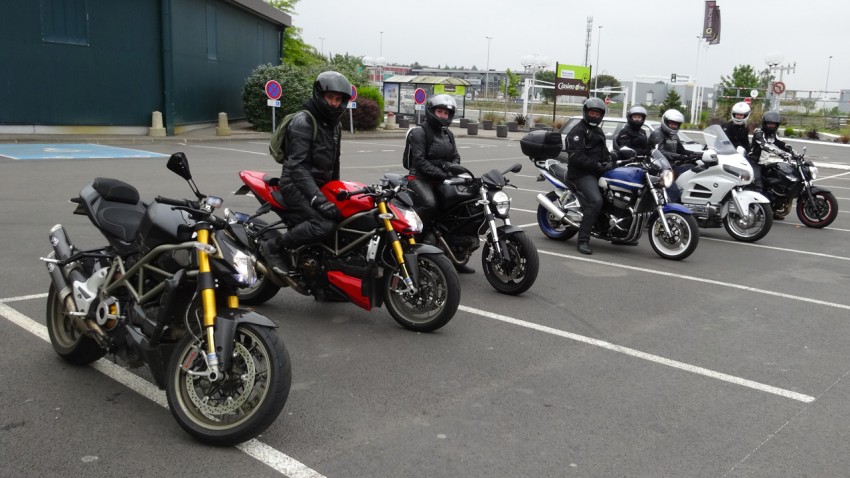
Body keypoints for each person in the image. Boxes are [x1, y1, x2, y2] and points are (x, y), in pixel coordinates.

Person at [261, 71, 352, 275]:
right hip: (295, 184)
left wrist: (336, 191)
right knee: (323, 225)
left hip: (319, 185)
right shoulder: (304, 121)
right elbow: (297, 166)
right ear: (319, 95)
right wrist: (318, 199)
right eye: (330, 97)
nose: (334, 103)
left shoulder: (335, 125)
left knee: (346, 216)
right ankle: (275, 246)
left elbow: (335, 161)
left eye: (338, 99)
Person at [405, 94, 470, 272]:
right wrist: (442, 173)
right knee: (430, 204)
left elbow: (455, 156)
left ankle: (455, 256)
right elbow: (419, 162)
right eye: (439, 111)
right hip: (419, 178)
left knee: (458, 208)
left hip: (441, 178)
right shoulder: (419, 132)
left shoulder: (448, 134)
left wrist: (452, 167)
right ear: (431, 111)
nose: (442, 115)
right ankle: (414, 242)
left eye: (446, 113)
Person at [565, 97, 612, 255]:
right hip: (581, 174)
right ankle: (583, 240)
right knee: (596, 201)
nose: (594, 116)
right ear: (586, 112)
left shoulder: (598, 131)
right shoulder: (578, 131)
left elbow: (604, 152)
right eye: (592, 113)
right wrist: (597, 165)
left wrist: (611, 160)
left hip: (596, 172)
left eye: (597, 114)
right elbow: (576, 156)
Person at [749, 110, 793, 200]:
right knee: (758, 187)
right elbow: (764, 145)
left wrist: (794, 153)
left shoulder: (773, 135)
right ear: (765, 123)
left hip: (764, 163)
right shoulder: (758, 132)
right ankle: (756, 205)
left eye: (773, 124)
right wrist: (781, 153)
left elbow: (781, 144)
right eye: (769, 124)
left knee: (777, 180)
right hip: (754, 162)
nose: (771, 126)